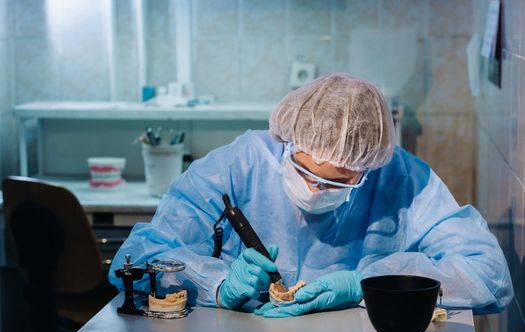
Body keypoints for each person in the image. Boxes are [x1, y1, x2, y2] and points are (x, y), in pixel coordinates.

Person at [109, 73, 513, 318]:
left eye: (338, 182)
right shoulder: (239, 165)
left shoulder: (403, 179)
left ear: (367, 167)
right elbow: (142, 254)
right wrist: (213, 283)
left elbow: (487, 275)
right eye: (303, 171)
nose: (315, 190)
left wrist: (367, 284)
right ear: (287, 140)